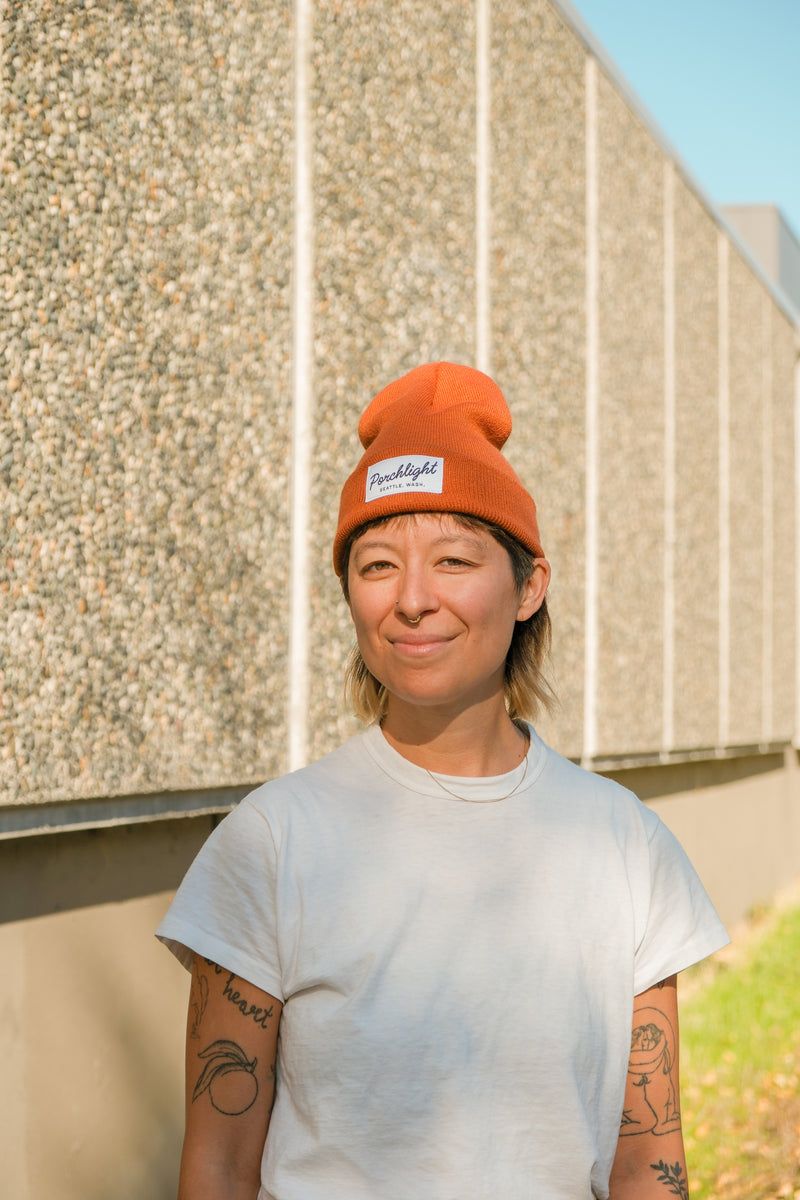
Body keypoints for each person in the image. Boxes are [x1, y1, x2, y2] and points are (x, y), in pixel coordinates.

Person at [157, 361, 729, 1200]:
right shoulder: (273, 840)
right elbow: (217, 1163)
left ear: (529, 584)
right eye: (378, 564)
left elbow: (648, 1158)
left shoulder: (626, 845)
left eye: (455, 559)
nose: (413, 600)